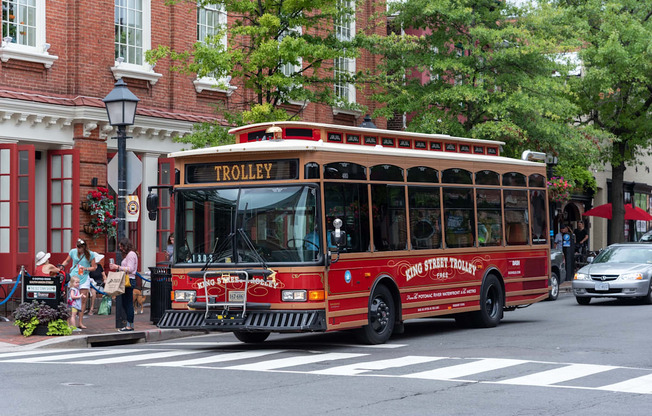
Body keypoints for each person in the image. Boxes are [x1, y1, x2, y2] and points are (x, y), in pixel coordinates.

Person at [59, 238, 97, 329]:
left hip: (84, 278)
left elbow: (94, 267)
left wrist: (86, 268)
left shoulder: (90, 254)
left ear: (84, 247)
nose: (78, 249)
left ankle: (80, 322)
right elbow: (67, 261)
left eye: (80, 247)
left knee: (83, 300)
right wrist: (62, 266)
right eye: (77, 247)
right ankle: (70, 321)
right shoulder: (73, 252)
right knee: (71, 299)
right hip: (74, 277)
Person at [109, 237, 138, 332]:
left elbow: (130, 268)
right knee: (126, 303)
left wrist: (117, 266)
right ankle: (129, 324)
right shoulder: (130, 254)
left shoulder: (131, 254)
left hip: (129, 280)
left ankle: (130, 325)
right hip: (127, 279)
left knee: (128, 303)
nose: (120, 248)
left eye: (121, 246)